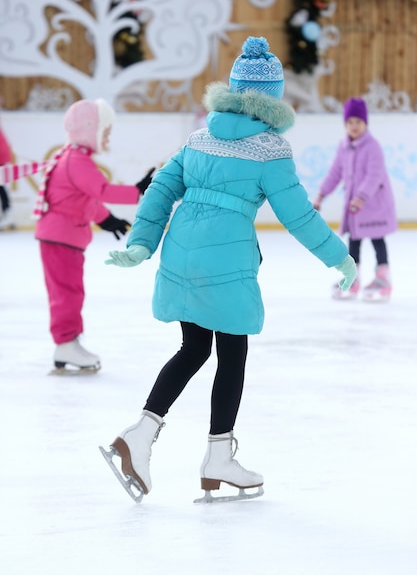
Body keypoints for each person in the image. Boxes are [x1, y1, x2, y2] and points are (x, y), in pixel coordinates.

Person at [101, 36, 357, 503]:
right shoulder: (270, 150)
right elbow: (298, 215)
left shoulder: (199, 137)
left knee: (194, 347)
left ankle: (140, 434)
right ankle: (217, 456)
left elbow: (160, 189)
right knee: (232, 353)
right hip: (225, 261)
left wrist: (142, 244)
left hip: (180, 252)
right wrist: (338, 256)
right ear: (271, 98)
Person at [34, 98, 155, 374]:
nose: (109, 136)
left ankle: (68, 341)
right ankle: (66, 343)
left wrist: (106, 219)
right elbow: (101, 190)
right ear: (90, 129)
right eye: (105, 129)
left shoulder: (71, 157)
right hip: (61, 239)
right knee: (67, 292)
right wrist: (137, 190)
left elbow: (82, 197)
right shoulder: (76, 160)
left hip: (60, 238)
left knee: (69, 291)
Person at [313, 98, 397, 301]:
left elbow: (374, 175)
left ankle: (383, 279)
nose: (354, 126)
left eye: (358, 122)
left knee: (377, 239)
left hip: (373, 205)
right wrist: (321, 194)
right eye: (350, 122)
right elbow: (335, 172)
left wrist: (361, 197)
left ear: (365, 123)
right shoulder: (344, 146)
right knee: (354, 241)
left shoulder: (372, 146)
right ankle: (353, 278)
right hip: (354, 209)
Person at [0, 111, 14, 231]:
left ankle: (7, 212)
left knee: (1, 186)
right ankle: (7, 211)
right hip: (3, 156)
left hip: (1, 157)